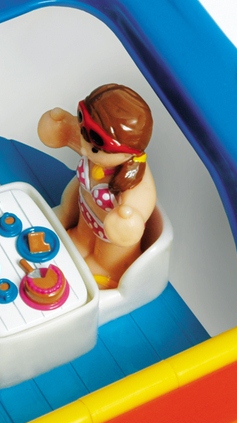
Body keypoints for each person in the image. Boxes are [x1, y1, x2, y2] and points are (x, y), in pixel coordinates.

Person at [38, 84, 157, 288]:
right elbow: (67, 135)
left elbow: (143, 197)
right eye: (83, 128)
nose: (84, 149)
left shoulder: (134, 178)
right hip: (86, 217)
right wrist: (60, 125)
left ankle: (106, 270)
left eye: (94, 147)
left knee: (107, 258)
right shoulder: (92, 146)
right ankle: (79, 241)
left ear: (127, 154)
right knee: (79, 240)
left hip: (112, 239)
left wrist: (130, 214)